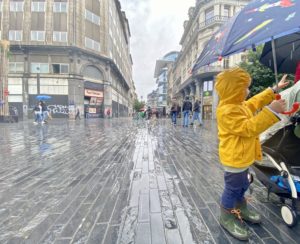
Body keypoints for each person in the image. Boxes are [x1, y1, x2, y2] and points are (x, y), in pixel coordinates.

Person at [215, 67, 290, 241]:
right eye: (245, 87)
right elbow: (248, 128)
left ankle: (241, 207)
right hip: (234, 159)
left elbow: (254, 102)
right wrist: (271, 111)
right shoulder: (227, 110)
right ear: (233, 90)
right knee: (233, 187)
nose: (248, 91)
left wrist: (273, 90)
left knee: (242, 184)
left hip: (242, 157)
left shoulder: (237, 104)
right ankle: (226, 216)